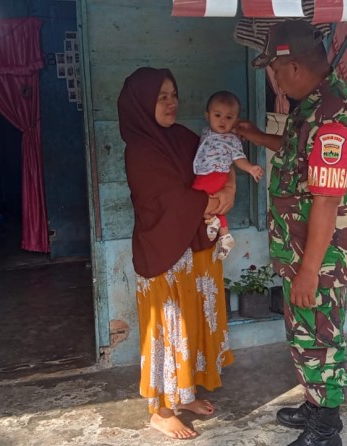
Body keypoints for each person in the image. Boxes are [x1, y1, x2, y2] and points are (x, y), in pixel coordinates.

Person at [235, 20, 347, 446]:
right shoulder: (312, 104)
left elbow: (327, 202)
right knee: (306, 336)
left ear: (292, 67)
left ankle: (326, 430)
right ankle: (314, 405)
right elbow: (296, 153)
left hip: (321, 259)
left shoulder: (330, 117)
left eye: (274, 71)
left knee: (320, 341)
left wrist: (309, 271)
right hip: (304, 254)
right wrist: (256, 136)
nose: (274, 79)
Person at [118, 67, 236, 440]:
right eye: (161, 96)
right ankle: (161, 409)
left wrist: (229, 187)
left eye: (173, 95)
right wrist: (211, 202)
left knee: (192, 323)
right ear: (141, 102)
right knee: (167, 328)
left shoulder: (185, 138)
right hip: (163, 253)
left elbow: (223, 158)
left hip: (195, 248)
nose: (171, 103)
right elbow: (168, 198)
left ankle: (183, 396)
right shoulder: (140, 150)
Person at [192, 91, 264, 261]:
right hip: (210, 176)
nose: (222, 121)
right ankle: (225, 236)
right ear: (207, 115)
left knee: (195, 198)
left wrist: (250, 168)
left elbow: (239, 158)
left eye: (229, 117)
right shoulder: (207, 131)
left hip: (214, 175)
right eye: (217, 115)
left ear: (236, 121)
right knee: (216, 203)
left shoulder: (230, 139)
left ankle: (210, 219)